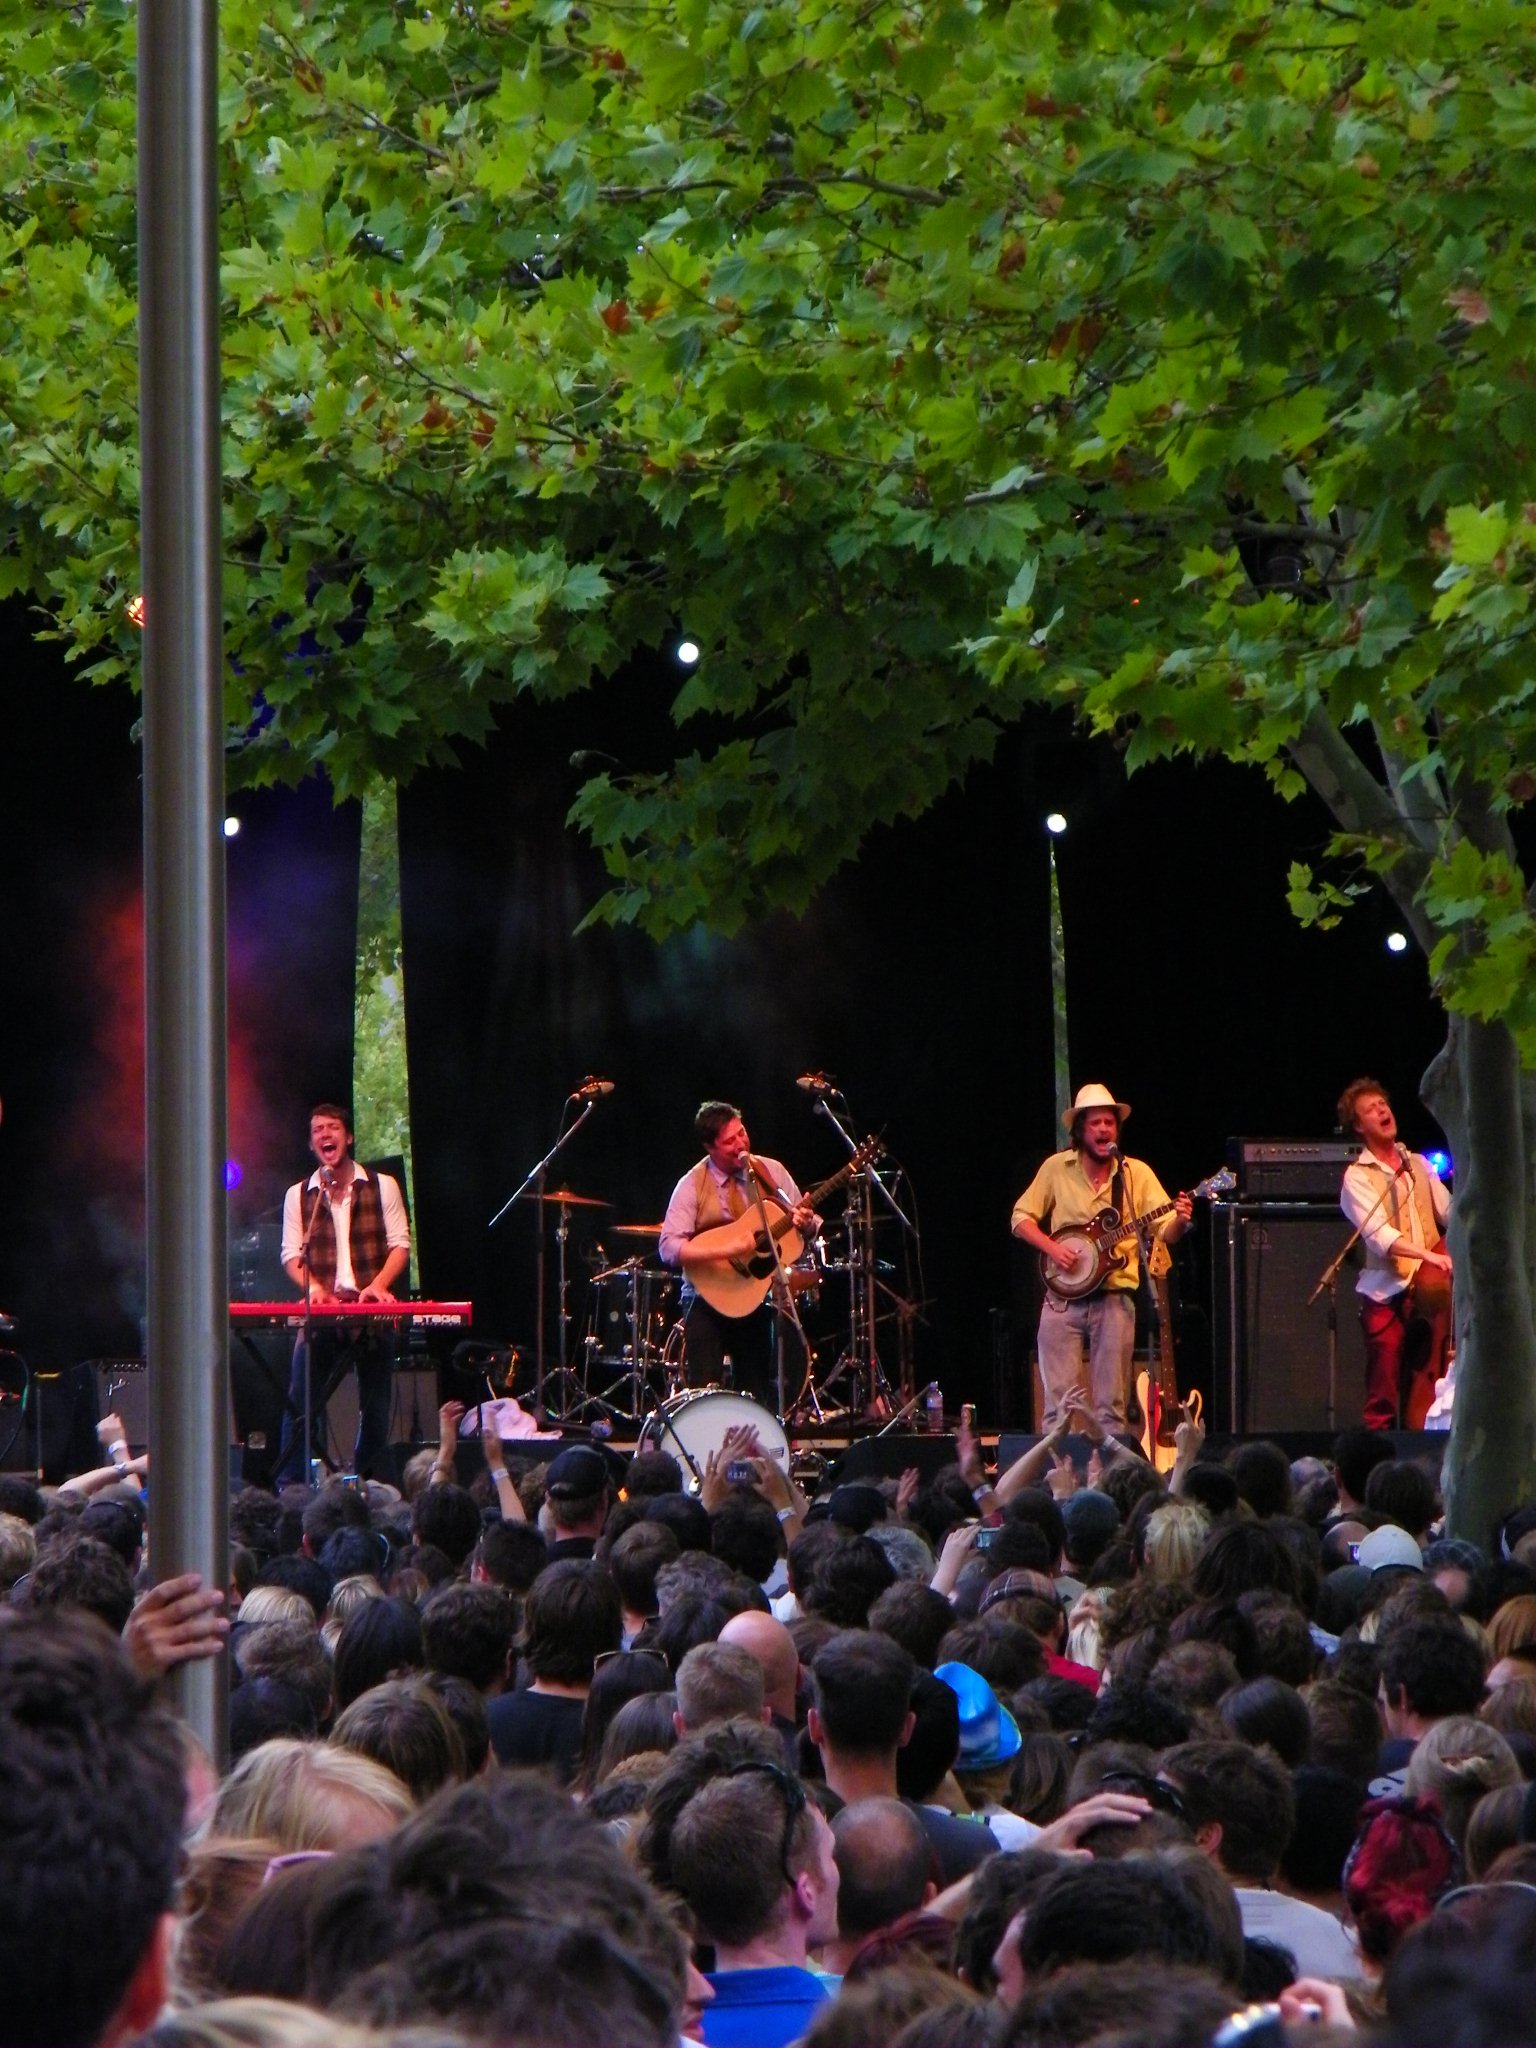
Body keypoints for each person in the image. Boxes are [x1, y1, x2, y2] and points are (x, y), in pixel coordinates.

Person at [1010, 1082, 1193, 1433]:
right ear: (1080, 1129)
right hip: (1061, 1302)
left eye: (1109, 1122)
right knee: (1058, 1410)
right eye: (1095, 1123)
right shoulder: (1055, 1168)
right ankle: (1059, 1483)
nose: (1104, 1129)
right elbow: (1020, 1218)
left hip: (1114, 1302)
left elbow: (1163, 1230)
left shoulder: (1134, 1173)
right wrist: (1052, 1248)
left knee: (1111, 1410)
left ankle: (1108, 1484)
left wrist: (1181, 1221)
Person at [276, 1104, 411, 1483]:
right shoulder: (299, 1195)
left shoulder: (383, 1185)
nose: (324, 1135)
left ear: (348, 1137)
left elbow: (400, 1245)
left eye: (331, 1128)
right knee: (300, 1404)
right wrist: (315, 1289)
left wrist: (378, 1285)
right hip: (323, 1313)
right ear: (312, 1143)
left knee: (377, 1407)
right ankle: (293, 1489)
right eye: (317, 1129)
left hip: (371, 1311)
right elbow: (291, 1255)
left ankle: (370, 1485)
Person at [659, 1100, 819, 1407]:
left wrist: (806, 1224)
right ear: (710, 1147)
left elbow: (804, 1224)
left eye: (741, 1133)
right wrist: (729, 1248)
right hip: (704, 1300)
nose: (741, 1144)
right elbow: (668, 1247)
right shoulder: (692, 1184)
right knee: (703, 1395)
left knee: (755, 1391)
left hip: (753, 1297)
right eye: (729, 1141)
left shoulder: (771, 1172)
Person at [1338, 1076, 1453, 1430]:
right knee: (1383, 1394)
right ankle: (1379, 1470)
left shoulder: (1417, 1164)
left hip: (1431, 1292)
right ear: (1359, 1126)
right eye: (1371, 1109)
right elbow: (1379, 1236)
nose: (1382, 1110)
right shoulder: (1356, 1177)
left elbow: (1449, 1213)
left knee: (1434, 1378)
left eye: (1383, 1104)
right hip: (1386, 1293)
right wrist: (1428, 1255)